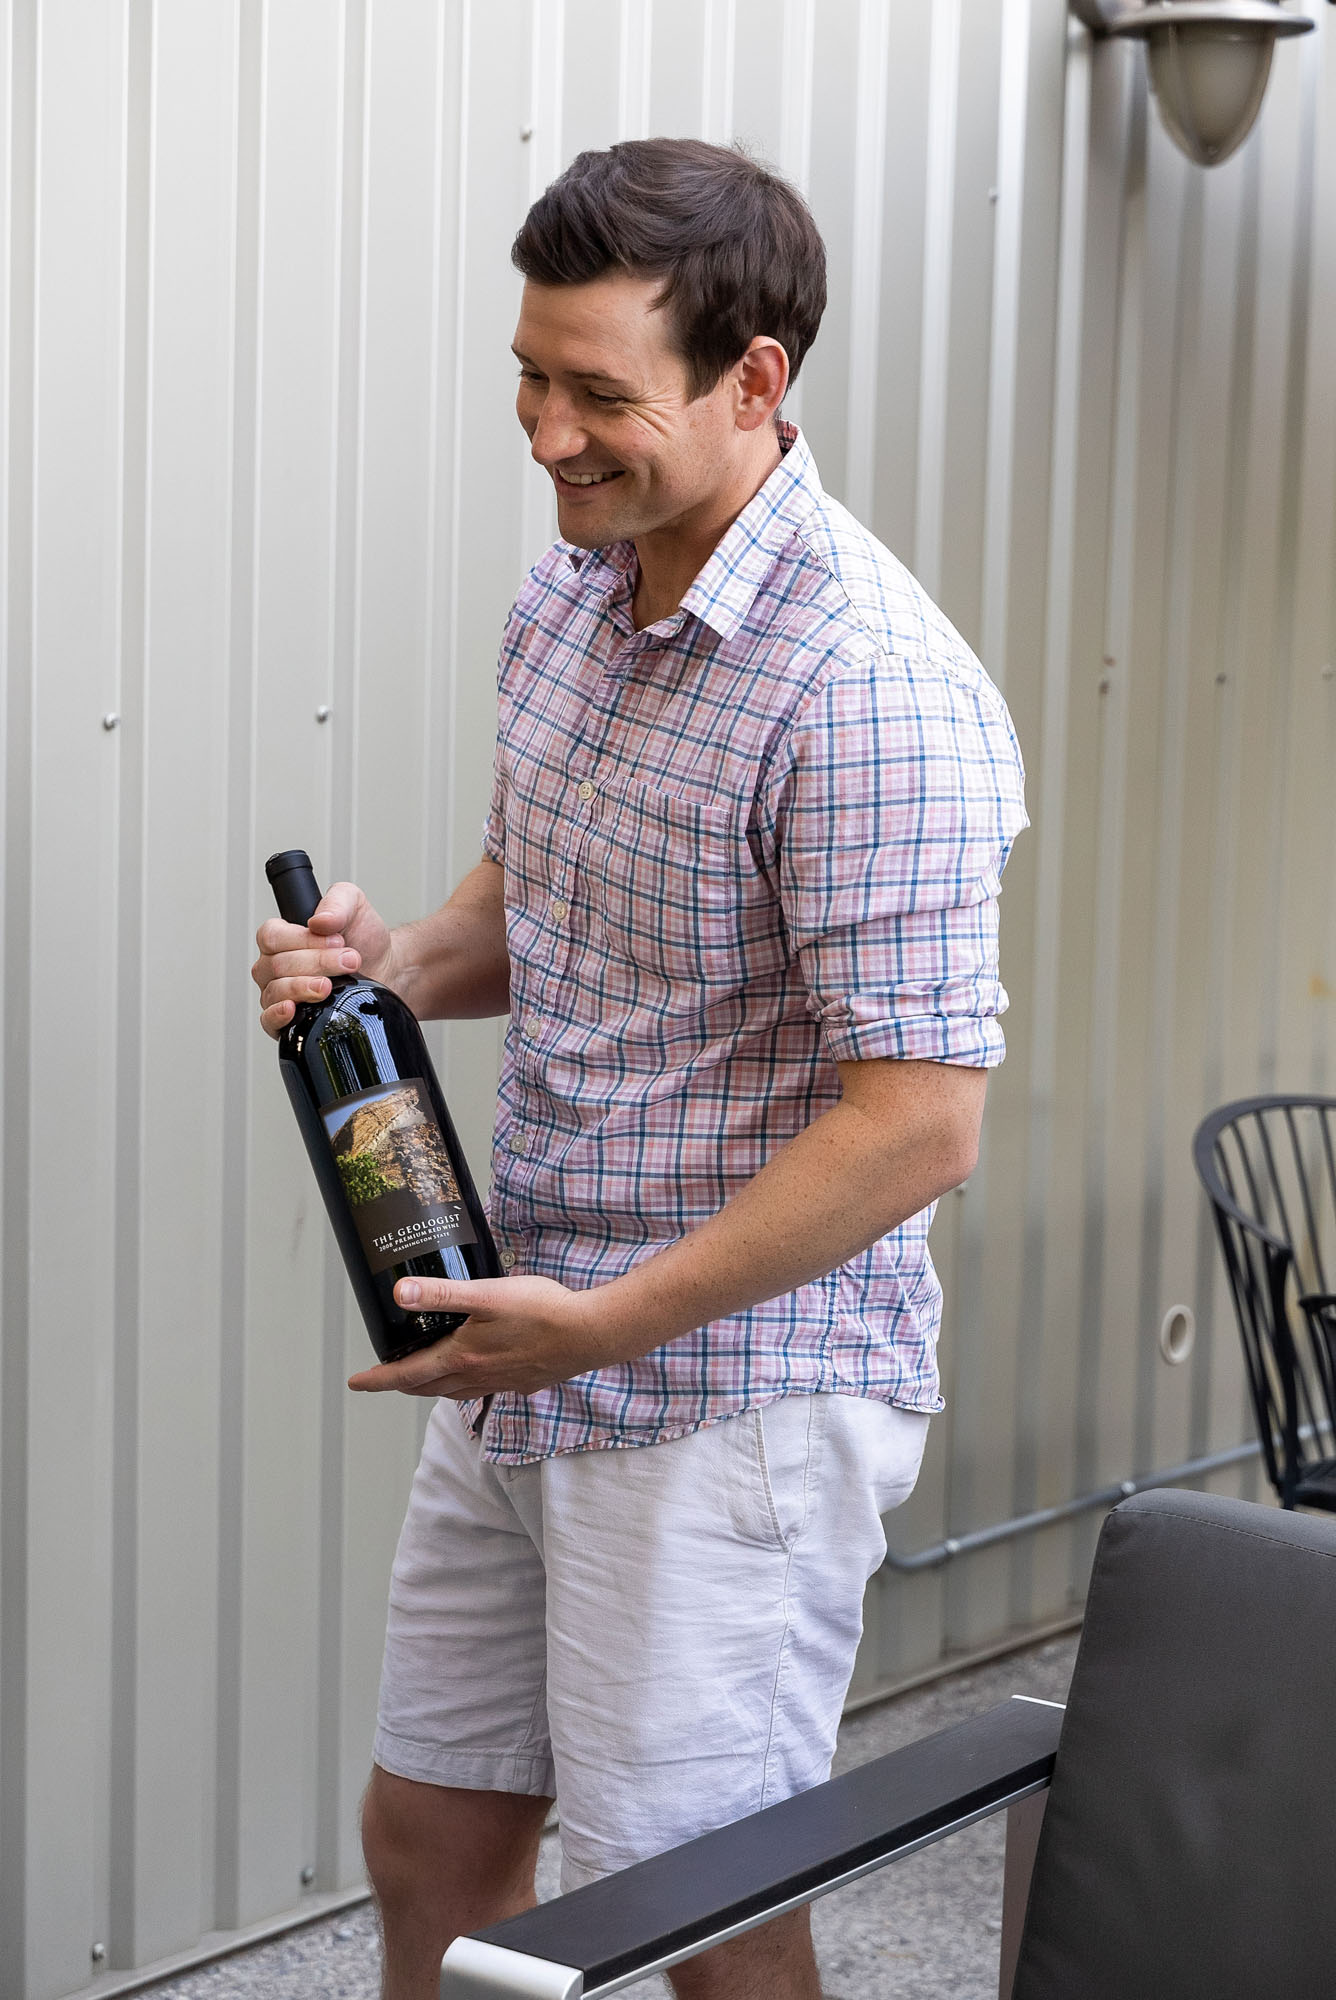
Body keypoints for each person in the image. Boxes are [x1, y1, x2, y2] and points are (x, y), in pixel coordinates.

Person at [253, 138, 1027, 2000]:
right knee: (433, 1835)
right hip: (530, 1337)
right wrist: (385, 967)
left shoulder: (868, 687)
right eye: (529, 376)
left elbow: (920, 1123)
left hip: (726, 1396)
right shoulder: (571, 597)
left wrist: (607, 1326)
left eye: (599, 393)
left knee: (695, 1916)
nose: (548, 434)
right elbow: (535, 908)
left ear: (754, 379)